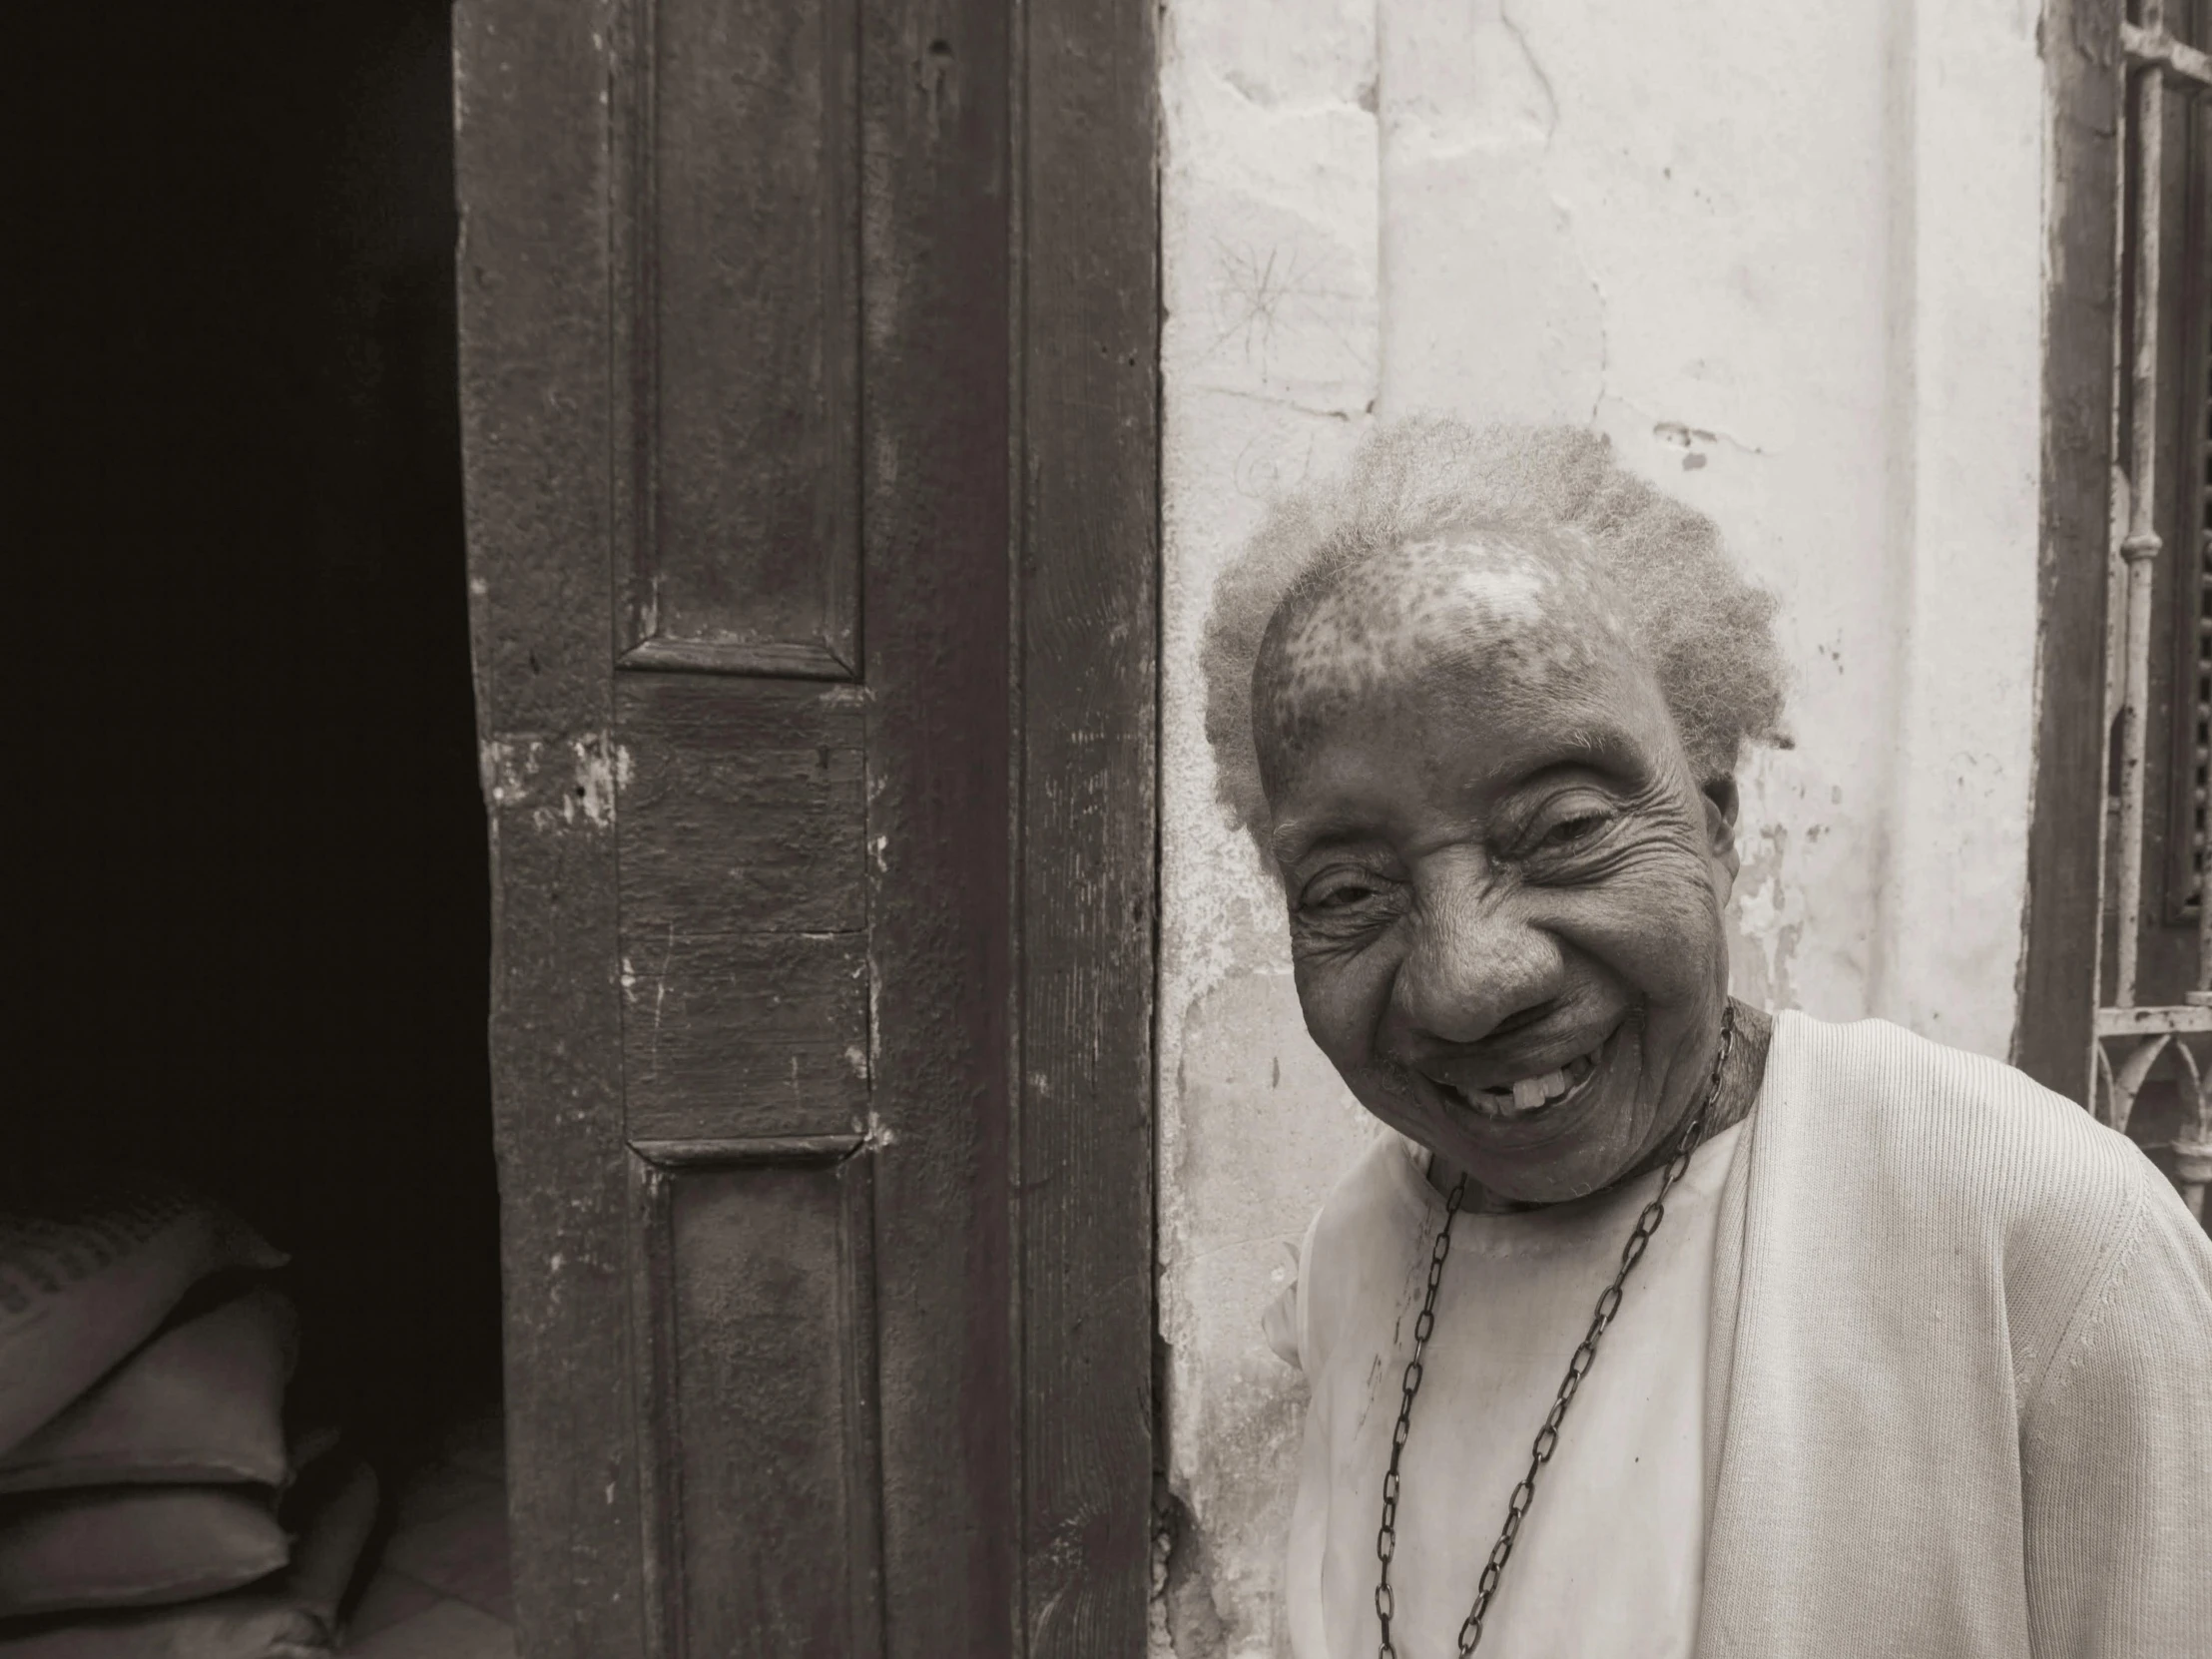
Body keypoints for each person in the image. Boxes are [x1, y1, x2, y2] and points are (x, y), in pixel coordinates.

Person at [1201, 418, 2212, 1658]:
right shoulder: (1356, 1255)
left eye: (1562, 827)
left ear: (1716, 823)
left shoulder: (2037, 1239)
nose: (1466, 983)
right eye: (1347, 891)